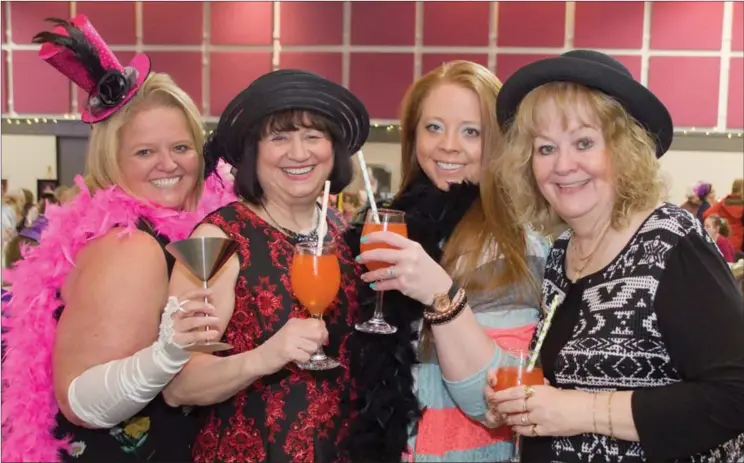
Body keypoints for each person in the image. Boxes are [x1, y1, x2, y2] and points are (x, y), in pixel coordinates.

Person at [485, 50, 744, 461]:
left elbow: (734, 395)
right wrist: (524, 399)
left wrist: (581, 411)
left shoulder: (668, 241)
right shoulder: (561, 255)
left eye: (584, 142)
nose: (563, 165)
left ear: (623, 151)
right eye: (545, 148)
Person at [1, 15, 236, 462]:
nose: (168, 164)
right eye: (145, 151)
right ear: (114, 161)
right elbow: (81, 400)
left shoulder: (163, 232)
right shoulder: (131, 245)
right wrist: (167, 356)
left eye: (181, 148)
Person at [344, 60, 549, 462]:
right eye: (433, 127)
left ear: (498, 143)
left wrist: (440, 294)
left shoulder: (514, 245)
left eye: (471, 131)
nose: (448, 145)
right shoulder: (399, 229)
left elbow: (492, 401)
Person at [162, 69, 370, 463]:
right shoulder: (218, 238)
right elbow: (178, 384)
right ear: (252, 153)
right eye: (279, 137)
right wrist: (263, 357)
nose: (298, 153)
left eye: (314, 136)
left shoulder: (346, 236)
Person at [705, 178, 744, 254]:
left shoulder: (723, 202)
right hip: (739, 241)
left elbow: (706, 214)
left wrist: (721, 221)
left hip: (725, 239)